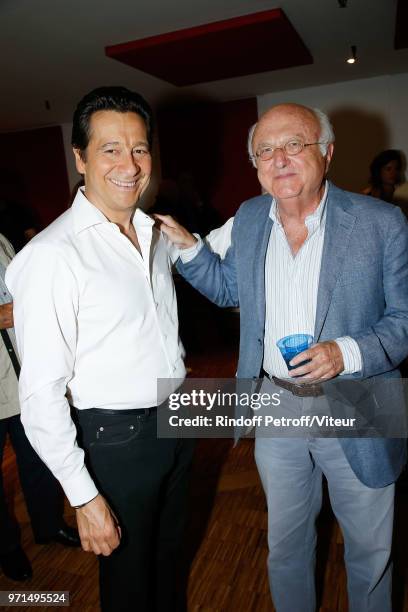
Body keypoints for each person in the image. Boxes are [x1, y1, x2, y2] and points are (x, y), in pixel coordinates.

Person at [157, 103, 408, 612]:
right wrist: (189, 248)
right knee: (286, 543)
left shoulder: (382, 222)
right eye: (265, 150)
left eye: (294, 144)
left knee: (369, 547)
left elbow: (404, 319)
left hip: (362, 399)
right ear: (255, 164)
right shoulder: (250, 217)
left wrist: (346, 351)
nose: (280, 160)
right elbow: (231, 290)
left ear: (327, 152)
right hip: (276, 402)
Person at [6, 87, 194, 611]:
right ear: (80, 158)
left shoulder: (151, 230)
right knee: (130, 582)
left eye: (139, 148)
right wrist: (84, 497)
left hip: (178, 416)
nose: (129, 164)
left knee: (168, 561)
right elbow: (40, 394)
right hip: (117, 437)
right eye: (110, 149)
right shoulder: (52, 255)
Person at [0, 232, 79, 582]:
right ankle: (7, 547)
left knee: (39, 457)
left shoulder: (2, 239)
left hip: (23, 376)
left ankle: (49, 526)